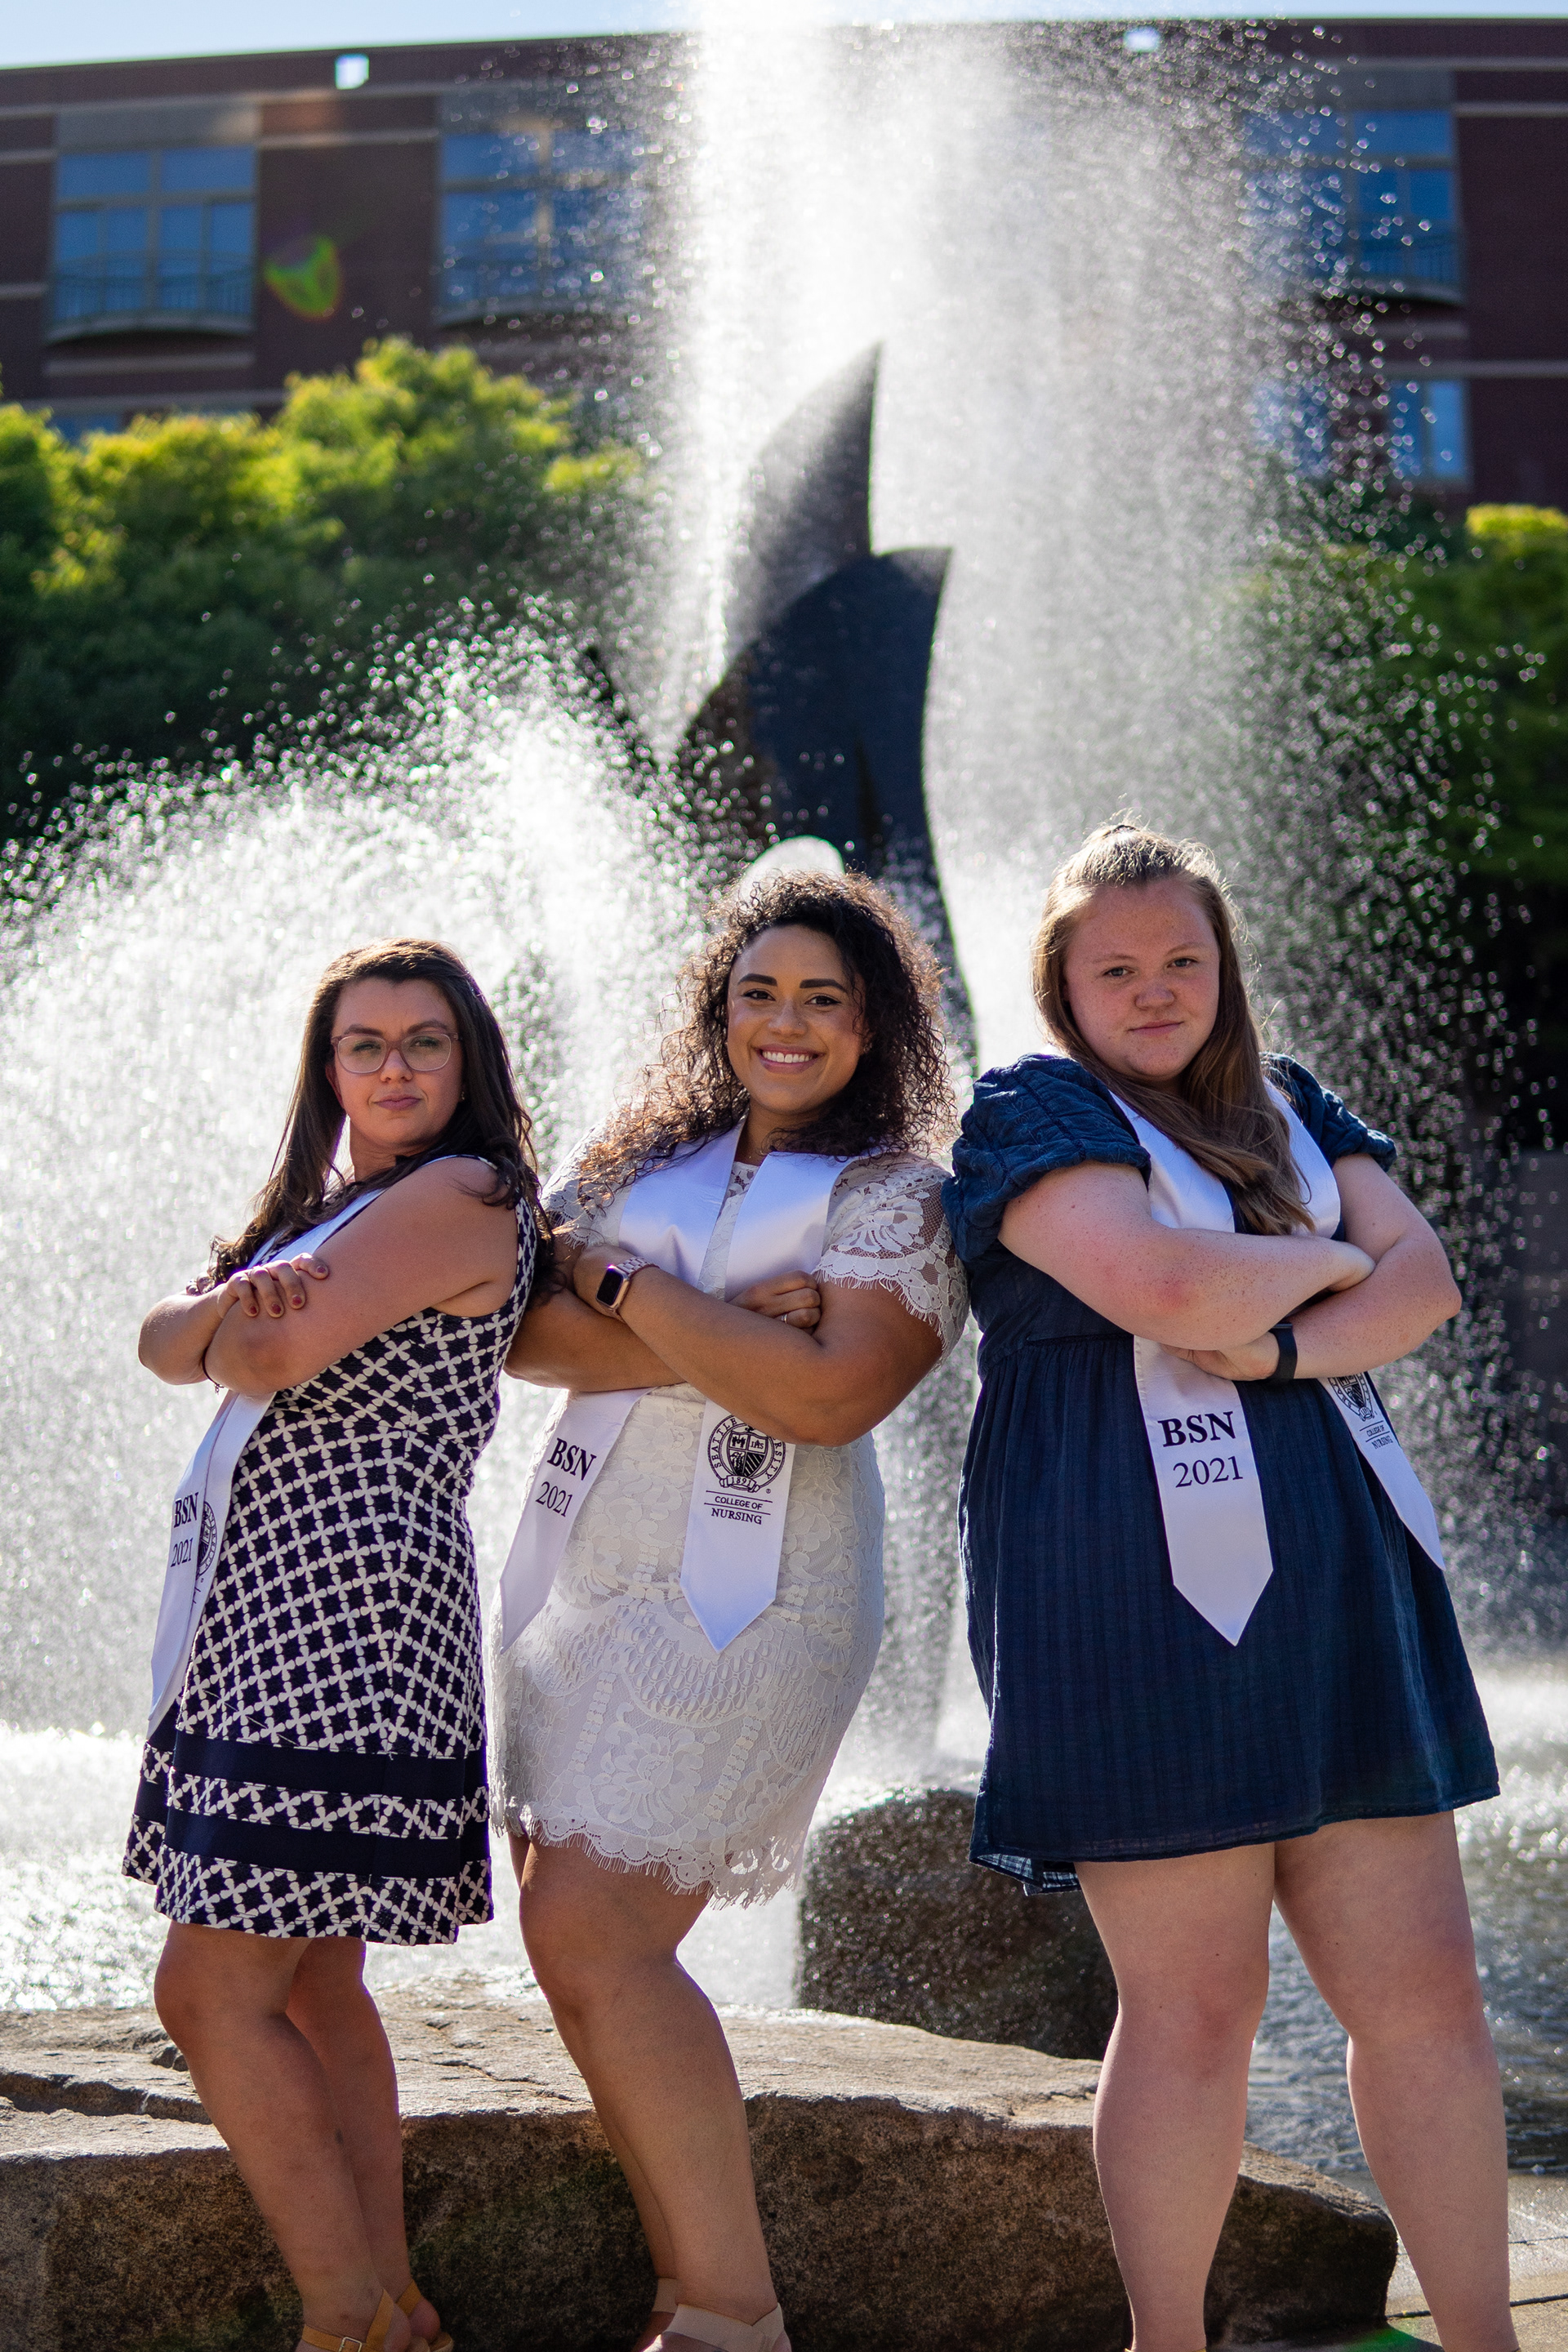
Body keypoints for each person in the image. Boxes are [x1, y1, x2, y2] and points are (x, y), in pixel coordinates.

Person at [942, 823, 1512, 2352]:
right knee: (1197, 2012)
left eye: (1183, 960)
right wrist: (1331, 1262)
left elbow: (1428, 1284)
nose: (1155, 990)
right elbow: (1167, 1288)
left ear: (1224, 968)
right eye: (1117, 967)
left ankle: (1487, 2339)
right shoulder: (1031, 1110)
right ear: (1063, 986)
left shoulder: (1291, 1105)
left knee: (1429, 1999)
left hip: (1343, 1588)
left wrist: (1272, 1338)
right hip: (1136, 1599)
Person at [492, 869, 969, 2352]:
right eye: (758, 992)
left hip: (752, 1601)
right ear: (718, 1010)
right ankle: (683, 2292)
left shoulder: (898, 1196)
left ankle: (733, 2312)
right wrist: (711, 1328)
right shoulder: (642, 1162)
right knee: (570, 1935)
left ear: (874, 1028)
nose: (787, 1021)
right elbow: (522, 1335)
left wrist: (629, 1290)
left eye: (825, 998)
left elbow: (827, 1397)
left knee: (596, 1931)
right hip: (586, 1579)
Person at [126, 938, 540, 2352]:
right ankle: (392, 2302)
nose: (394, 1066)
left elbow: (263, 1357)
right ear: (328, 1068)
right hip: (279, 1607)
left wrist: (229, 1326)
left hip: (344, 1613)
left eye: (425, 1041)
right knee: (312, 1979)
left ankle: (343, 2316)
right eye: (364, 1044)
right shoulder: (324, 1206)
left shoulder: (461, 1191)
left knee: (207, 1990)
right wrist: (218, 1321)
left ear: (469, 1060)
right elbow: (161, 1339)